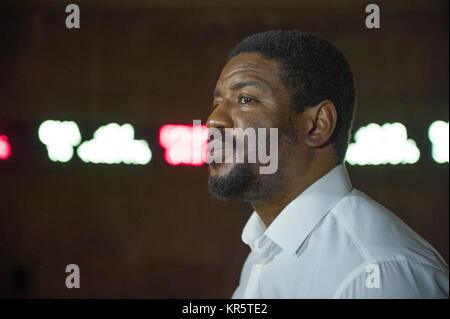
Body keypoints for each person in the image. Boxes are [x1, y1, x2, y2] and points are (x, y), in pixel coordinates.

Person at [206, 30, 449, 298]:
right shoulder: (263, 253)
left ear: (318, 125)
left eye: (246, 100)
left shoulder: (378, 273)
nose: (214, 120)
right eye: (217, 101)